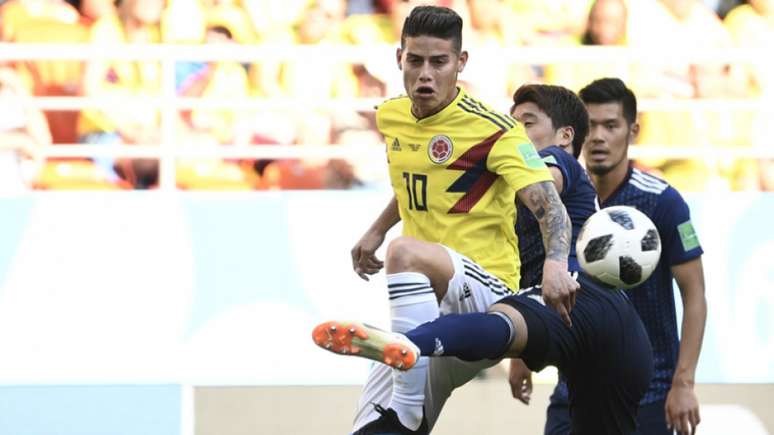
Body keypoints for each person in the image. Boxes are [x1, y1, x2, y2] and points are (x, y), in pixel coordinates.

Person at [342, 6, 579, 434]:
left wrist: (556, 263)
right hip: (421, 307)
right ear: (400, 59)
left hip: (486, 295)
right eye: (415, 61)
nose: (425, 74)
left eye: (439, 61)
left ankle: (408, 397)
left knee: (405, 251)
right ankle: (406, 394)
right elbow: (417, 182)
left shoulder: (495, 130)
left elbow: (550, 206)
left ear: (461, 63)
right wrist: (376, 229)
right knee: (375, 430)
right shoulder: (392, 116)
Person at [542, 77, 706, 435]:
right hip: (574, 390)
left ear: (633, 130)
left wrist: (684, 384)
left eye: (611, 125)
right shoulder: (559, 199)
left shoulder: (663, 202)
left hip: (648, 394)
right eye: (591, 125)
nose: (599, 136)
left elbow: (694, 296)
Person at [506, 83, 597, 406]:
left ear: (565, 136)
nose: (514, 132)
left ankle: (421, 344)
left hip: (581, 310)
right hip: (560, 328)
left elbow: (546, 183)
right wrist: (519, 356)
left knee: (482, 328)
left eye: (527, 124)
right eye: (511, 124)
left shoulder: (555, 159)